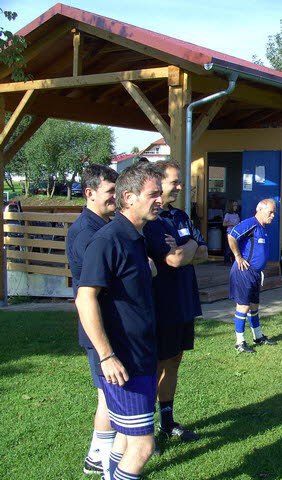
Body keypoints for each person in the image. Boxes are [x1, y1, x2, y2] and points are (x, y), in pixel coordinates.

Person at [75, 162, 164, 480]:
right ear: (129, 197)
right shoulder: (107, 240)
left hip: (142, 355)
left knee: (126, 438)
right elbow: (84, 299)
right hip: (123, 361)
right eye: (153, 194)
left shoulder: (136, 237)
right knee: (142, 447)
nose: (160, 200)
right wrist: (107, 355)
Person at [143, 160, 208, 443]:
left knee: (174, 361)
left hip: (184, 302)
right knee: (156, 366)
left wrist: (187, 248)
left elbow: (204, 252)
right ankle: (144, 431)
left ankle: (167, 423)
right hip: (162, 305)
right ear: (158, 182)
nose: (181, 186)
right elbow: (174, 260)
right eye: (175, 181)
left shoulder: (181, 216)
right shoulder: (151, 220)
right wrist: (191, 245)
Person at [66, 165, 118, 477]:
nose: (115, 197)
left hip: (111, 325)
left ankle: (106, 452)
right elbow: (96, 287)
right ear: (90, 193)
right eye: (110, 191)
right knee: (108, 395)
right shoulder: (86, 233)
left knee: (111, 394)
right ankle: (98, 456)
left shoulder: (103, 226)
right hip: (99, 330)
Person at [227, 199, 279, 353]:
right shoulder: (250, 223)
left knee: (254, 306)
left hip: (255, 274)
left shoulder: (263, 228)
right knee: (243, 306)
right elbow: (232, 236)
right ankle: (240, 342)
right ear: (260, 209)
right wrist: (238, 257)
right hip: (244, 271)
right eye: (270, 212)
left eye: (274, 213)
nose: (273, 216)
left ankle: (258, 336)